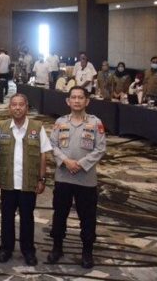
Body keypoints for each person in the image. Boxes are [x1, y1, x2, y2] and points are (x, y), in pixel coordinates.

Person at [47, 86, 107, 269]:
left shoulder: (95, 123)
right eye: (73, 97)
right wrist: (66, 161)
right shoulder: (60, 122)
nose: (77, 101)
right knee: (59, 214)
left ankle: (87, 251)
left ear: (87, 101)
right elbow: (52, 145)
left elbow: (100, 149)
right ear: (68, 101)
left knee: (87, 217)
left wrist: (80, 164)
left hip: (86, 179)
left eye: (81, 97)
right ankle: (57, 247)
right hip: (63, 177)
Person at [0, 93, 52, 266]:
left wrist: (42, 179)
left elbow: (43, 154)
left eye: (21, 104)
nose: (17, 108)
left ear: (27, 107)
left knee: (27, 218)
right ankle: (6, 248)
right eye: (14, 104)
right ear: (9, 108)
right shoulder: (2, 127)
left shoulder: (37, 127)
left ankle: (28, 250)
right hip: (8, 182)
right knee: (7, 217)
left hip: (28, 183)